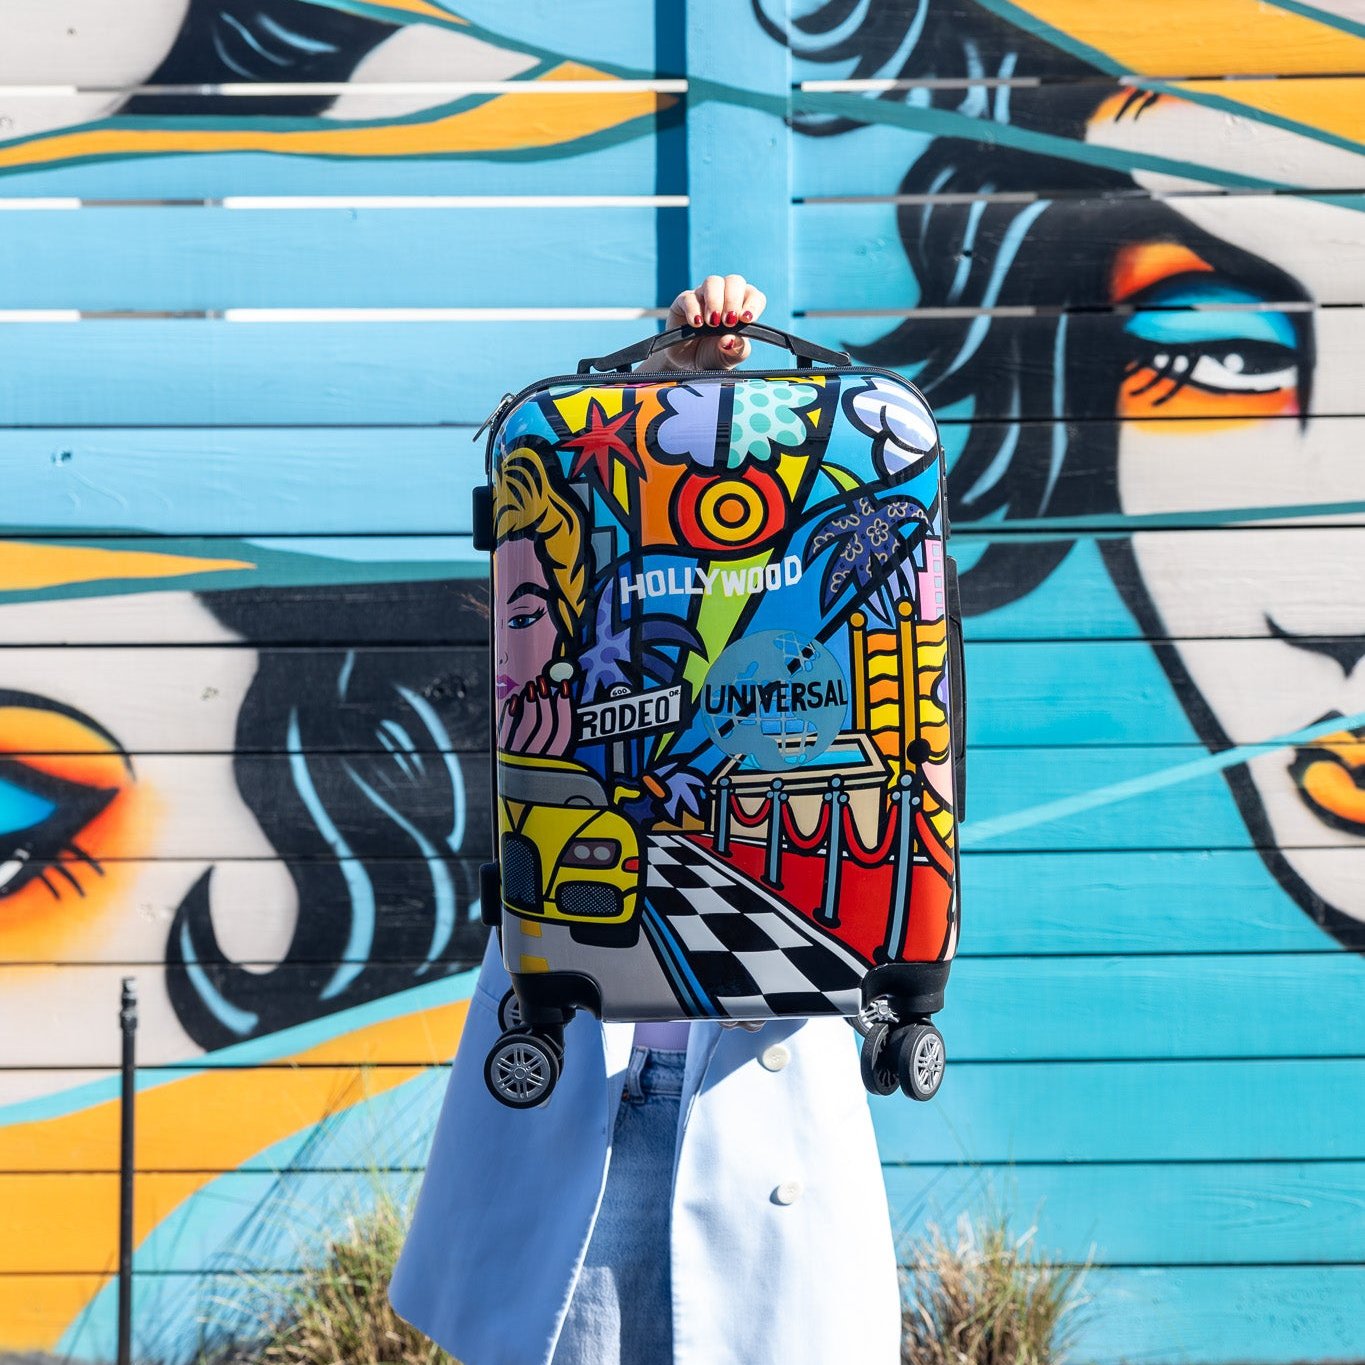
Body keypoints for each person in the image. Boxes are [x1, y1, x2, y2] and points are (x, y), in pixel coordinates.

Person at [387, 274, 904, 1365]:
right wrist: (669, 390)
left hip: (747, 1086)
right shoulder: (569, 636)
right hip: (589, 1078)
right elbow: (581, 510)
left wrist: (731, 402)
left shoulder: (808, 633)